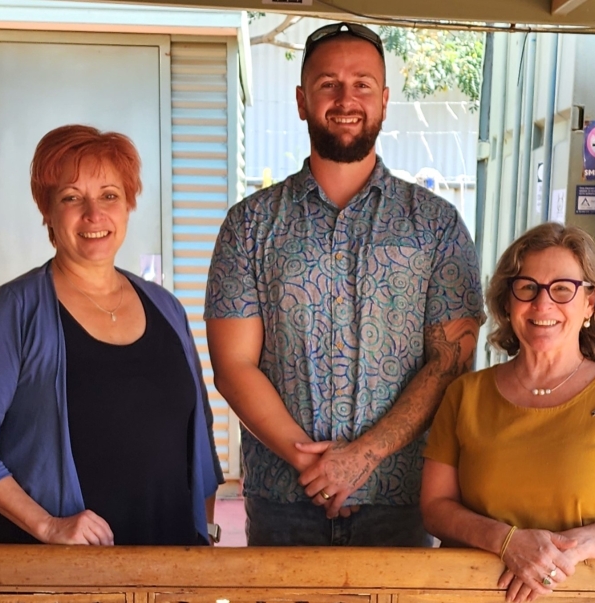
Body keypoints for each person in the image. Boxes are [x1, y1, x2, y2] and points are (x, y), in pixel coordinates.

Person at [205, 22, 485, 547]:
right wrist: (311, 463)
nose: (344, 98)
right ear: (301, 101)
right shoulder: (249, 225)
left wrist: (362, 457)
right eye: (327, 83)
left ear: (383, 99)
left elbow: (450, 362)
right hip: (284, 500)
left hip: (400, 500)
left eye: (361, 84)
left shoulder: (436, 224)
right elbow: (232, 366)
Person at [0, 124, 224, 546]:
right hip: (48, 573)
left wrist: (205, 535)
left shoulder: (166, 308)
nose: (94, 214)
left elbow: (197, 434)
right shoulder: (13, 311)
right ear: (48, 213)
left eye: (109, 195)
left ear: (129, 204)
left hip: (161, 554)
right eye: (72, 198)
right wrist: (48, 526)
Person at [421, 222, 595, 602]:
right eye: (527, 287)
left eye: (563, 289)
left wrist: (568, 549)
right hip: (472, 594)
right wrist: (508, 543)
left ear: (590, 303)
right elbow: (434, 508)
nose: (543, 304)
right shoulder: (465, 395)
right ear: (507, 303)